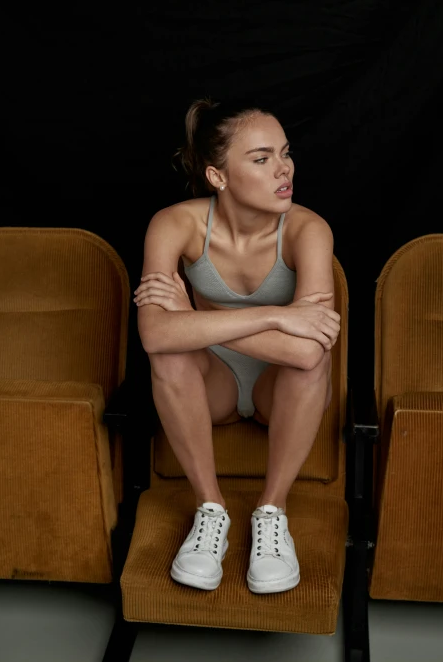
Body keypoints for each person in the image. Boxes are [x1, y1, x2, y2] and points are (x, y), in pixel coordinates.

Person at [133, 97, 340, 594]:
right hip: (215, 384)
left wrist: (197, 316)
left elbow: (309, 351)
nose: (283, 169)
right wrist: (277, 315)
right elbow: (155, 335)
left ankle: (272, 513)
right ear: (218, 176)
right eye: (261, 158)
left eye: (285, 153)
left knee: (311, 364)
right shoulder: (174, 225)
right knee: (171, 353)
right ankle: (211, 511)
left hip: (278, 389)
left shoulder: (309, 230)